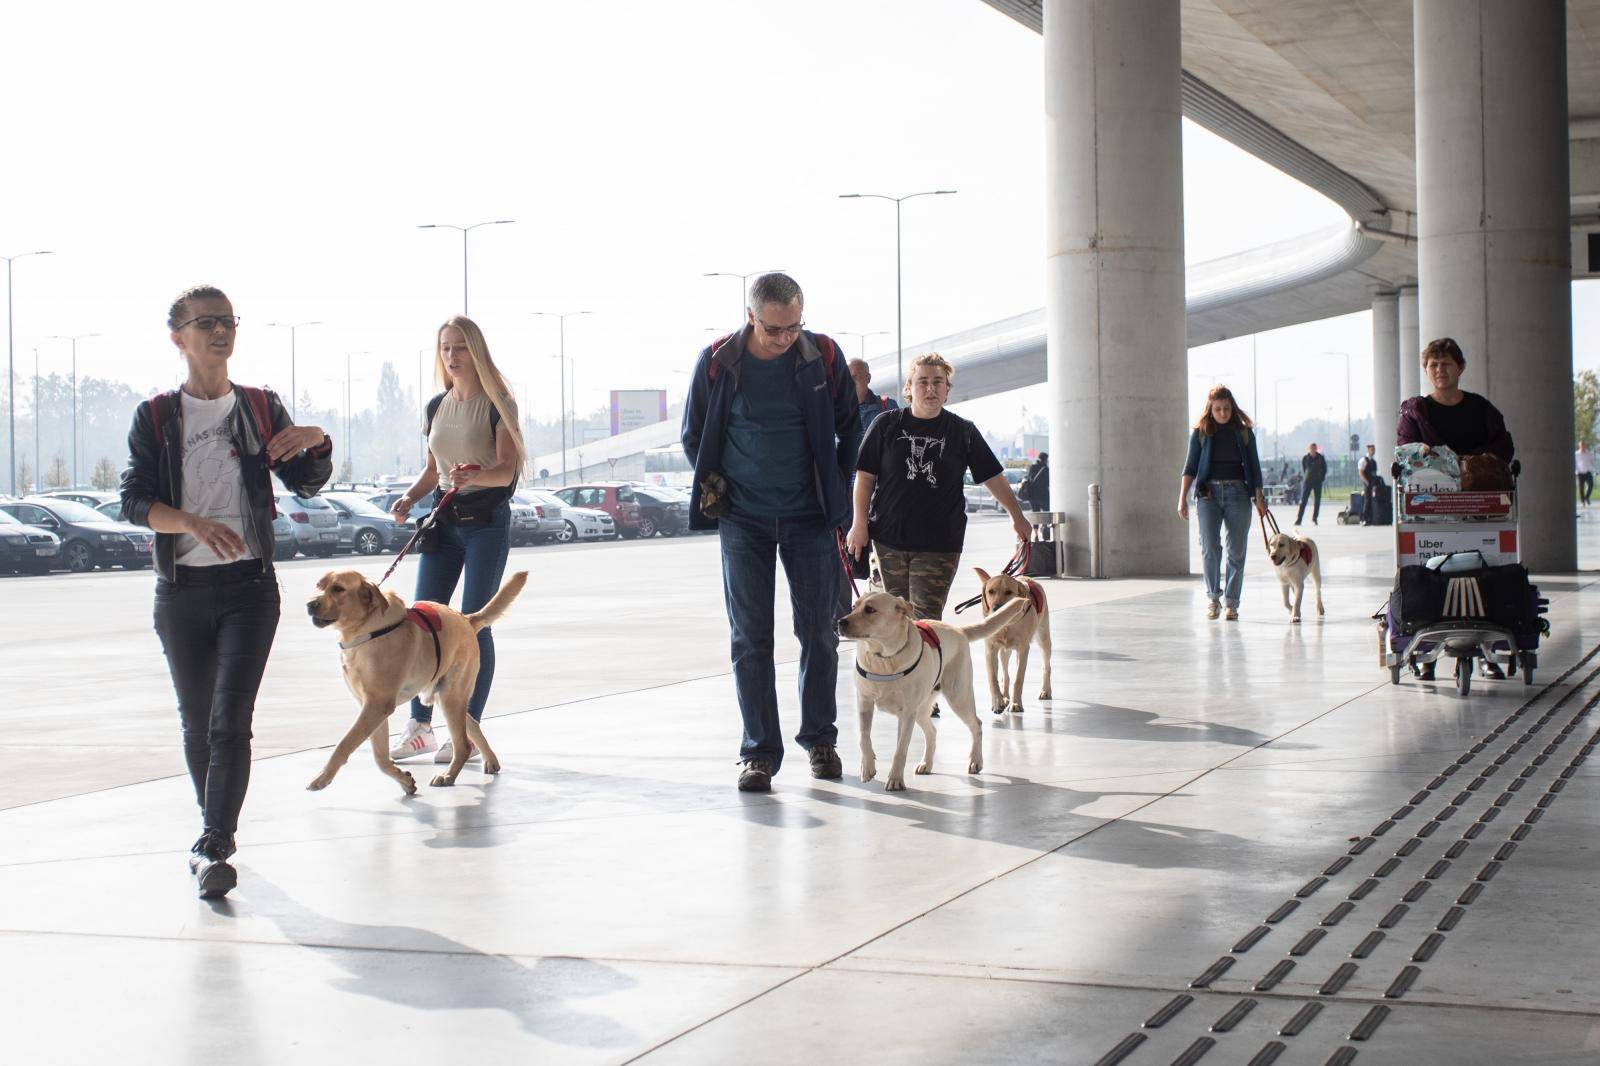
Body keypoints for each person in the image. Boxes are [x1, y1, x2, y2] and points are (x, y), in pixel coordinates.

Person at [120, 284, 332, 898]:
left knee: (229, 719)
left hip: (249, 589)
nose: (221, 332)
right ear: (178, 338)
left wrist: (315, 440)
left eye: (229, 321)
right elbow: (134, 499)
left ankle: (215, 839)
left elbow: (308, 482)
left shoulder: (261, 406)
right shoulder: (157, 416)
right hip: (181, 591)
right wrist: (189, 523)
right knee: (196, 723)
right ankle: (211, 834)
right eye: (206, 322)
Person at [682, 272, 859, 793]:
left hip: (810, 517)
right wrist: (723, 489)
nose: (786, 339)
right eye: (775, 329)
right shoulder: (717, 362)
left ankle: (821, 740)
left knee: (820, 634)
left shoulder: (821, 355)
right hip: (744, 521)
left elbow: (851, 426)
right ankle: (758, 753)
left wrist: (839, 482)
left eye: (794, 327)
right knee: (750, 639)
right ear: (751, 318)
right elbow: (694, 435)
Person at [389, 316, 526, 764]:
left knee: (473, 622)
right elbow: (434, 471)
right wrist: (409, 498)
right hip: (444, 523)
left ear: (477, 351)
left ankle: (464, 733)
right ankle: (419, 726)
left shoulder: (497, 402)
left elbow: (507, 468)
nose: (452, 356)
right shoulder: (435, 407)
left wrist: (476, 474)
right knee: (421, 621)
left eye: (461, 347)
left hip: (486, 520)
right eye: (446, 348)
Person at [848, 351, 1031, 622]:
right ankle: (894, 667)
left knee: (925, 622)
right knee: (890, 622)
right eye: (922, 381)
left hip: (939, 544)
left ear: (947, 390)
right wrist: (859, 524)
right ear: (909, 387)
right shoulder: (886, 425)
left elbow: (992, 476)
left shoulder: (963, 432)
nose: (930, 388)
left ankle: (925, 666)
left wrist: (1018, 517)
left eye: (938, 382)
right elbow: (864, 478)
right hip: (888, 540)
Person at [1178, 385, 1268, 621]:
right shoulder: (1201, 432)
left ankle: (1232, 604)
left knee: (1236, 552)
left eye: (1226, 408)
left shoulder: (1244, 432)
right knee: (1209, 548)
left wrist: (1259, 496)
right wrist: (1182, 499)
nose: (1223, 413)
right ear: (1210, 409)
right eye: (1217, 409)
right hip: (1208, 496)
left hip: (1239, 493)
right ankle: (1213, 599)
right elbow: (1189, 468)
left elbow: (1255, 467)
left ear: (1232, 408)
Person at [1395, 337, 1515, 462]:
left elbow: (1504, 448)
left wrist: (1465, 462)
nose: (1439, 369)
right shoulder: (1415, 412)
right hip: (1432, 481)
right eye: (1433, 365)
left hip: (1478, 480)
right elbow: (1406, 451)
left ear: (1460, 367)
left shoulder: (1481, 407)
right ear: (1426, 370)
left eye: (1446, 363)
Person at [849, 357, 899, 439]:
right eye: (847, 378)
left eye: (856, 377)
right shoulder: (837, 412)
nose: (851, 382)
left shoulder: (888, 407)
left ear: (868, 378)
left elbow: (898, 443)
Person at [1296, 442, 1327, 525]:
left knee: (1317, 501)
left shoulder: (1320, 458)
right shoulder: (1305, 458)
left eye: (1314, 448)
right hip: (1308, 481)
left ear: (1316, 449)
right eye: (1311, 448)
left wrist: (1321, 478)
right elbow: (1304, 468)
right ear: (1309, 449)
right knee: (1303, 500)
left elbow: (1324, 469)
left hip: (1317, 481)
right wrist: (1307, 476)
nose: (1313, 450)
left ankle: (1315, 518)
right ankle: (1299, 519)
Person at [1358, 444, 1379, 525]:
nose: (1373, 451)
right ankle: (1364, 518)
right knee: (1367, 500)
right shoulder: (1363, 460)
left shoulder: (1373, 461)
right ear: (1368, 450)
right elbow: (1361, 473)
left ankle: (1370, 518)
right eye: (1372, 449)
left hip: (1373, 484)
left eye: (1374, 449)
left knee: (1372, 501)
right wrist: (1367, 483)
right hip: (1367, 484)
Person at [1577, 441, 1594, 507]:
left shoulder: (1588, 453)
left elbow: (1592, 462)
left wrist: (1592, 468)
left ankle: (1587, 497)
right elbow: (1575, 463)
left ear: (1585, 446)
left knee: (1591, 484)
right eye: (1581, 445)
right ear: (1579, 446)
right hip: (1580, 473)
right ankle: (1583, 502)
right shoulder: (1576, 454)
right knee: (1581, 488)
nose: (1582, 447)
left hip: (1587, 472)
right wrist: (1576, 471)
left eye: (1583, 445)